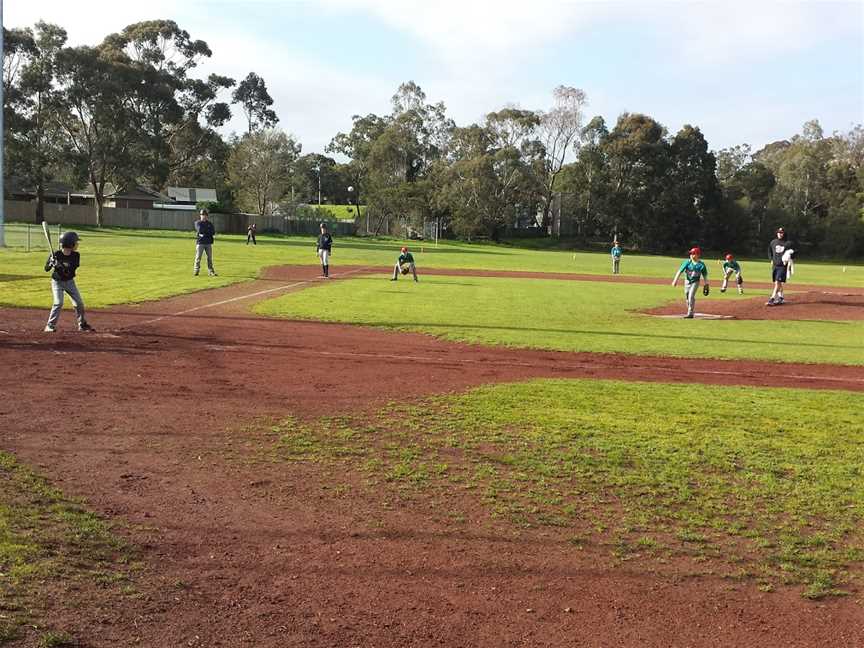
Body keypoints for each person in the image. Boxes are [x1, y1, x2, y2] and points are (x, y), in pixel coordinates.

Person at [44, 231, 94, 333]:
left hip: (70, 282)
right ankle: (50, 325)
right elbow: (46, 269)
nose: (77, 244)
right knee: (58, 303)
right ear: (70, 244)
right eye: (75, 242)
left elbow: (69, 272)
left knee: (79, 303)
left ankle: (82, 324)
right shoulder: (55, 254)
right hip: (57, 283)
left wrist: (59, 265)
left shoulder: (75, 256)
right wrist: (51, 263)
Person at [672, 246, 709, 319]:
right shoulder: (687, 262)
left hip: (695, 282)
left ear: (697, 255)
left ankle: (690, 313)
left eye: (693, 253)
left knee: (691, 296)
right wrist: (675, 280)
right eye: (691, 253)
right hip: (687, 281)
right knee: (687, 296)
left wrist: (706, 284)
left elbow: (705, 275)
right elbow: (679, 271)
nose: (691, 255)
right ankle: (690, 310)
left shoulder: (701, 264)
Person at [767, 227, 792, 306]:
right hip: (775, 265)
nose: (780, 234)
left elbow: (793, 253)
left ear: (784, 233)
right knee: (777, 282)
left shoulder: (788, 243)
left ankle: (772, 298)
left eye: (781, 232)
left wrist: (790, 257)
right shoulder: (773, 242)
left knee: (777, 282)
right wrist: (771, 259)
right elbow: (769, 251)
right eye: (779, 232)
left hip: (782, 266)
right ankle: (781, 298)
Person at [193, 208, 217, 276]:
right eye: (202, 215)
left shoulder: (210, 223)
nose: (204, 216)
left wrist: (205, 233)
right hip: (200, 243)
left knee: (209, 258)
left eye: (205, 215)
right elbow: (200, 230)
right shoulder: (197, 223)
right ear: (200, 215)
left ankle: (211, 271)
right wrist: (207, 232)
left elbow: (213, 232)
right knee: (198, 257)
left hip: (208, 243)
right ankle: (196, 270)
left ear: (207, 216)